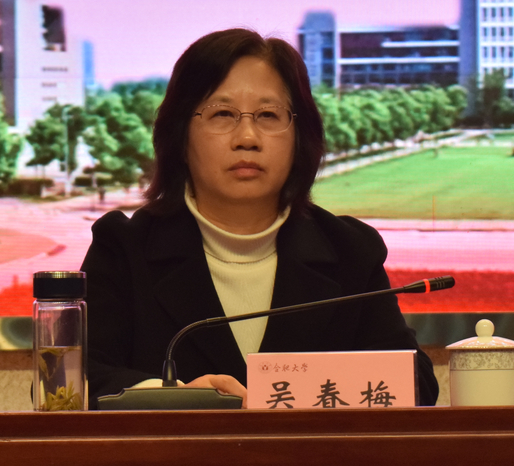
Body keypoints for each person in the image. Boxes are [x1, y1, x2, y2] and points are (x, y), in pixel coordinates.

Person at [81, 28, 439, 409]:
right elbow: (74, 378)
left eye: (269, 115)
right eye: (222, 114)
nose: (247, 138)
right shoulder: (123, 251)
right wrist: (173, 400)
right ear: (180, 137)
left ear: (299, 137)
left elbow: (415, 383)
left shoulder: (350, 251)